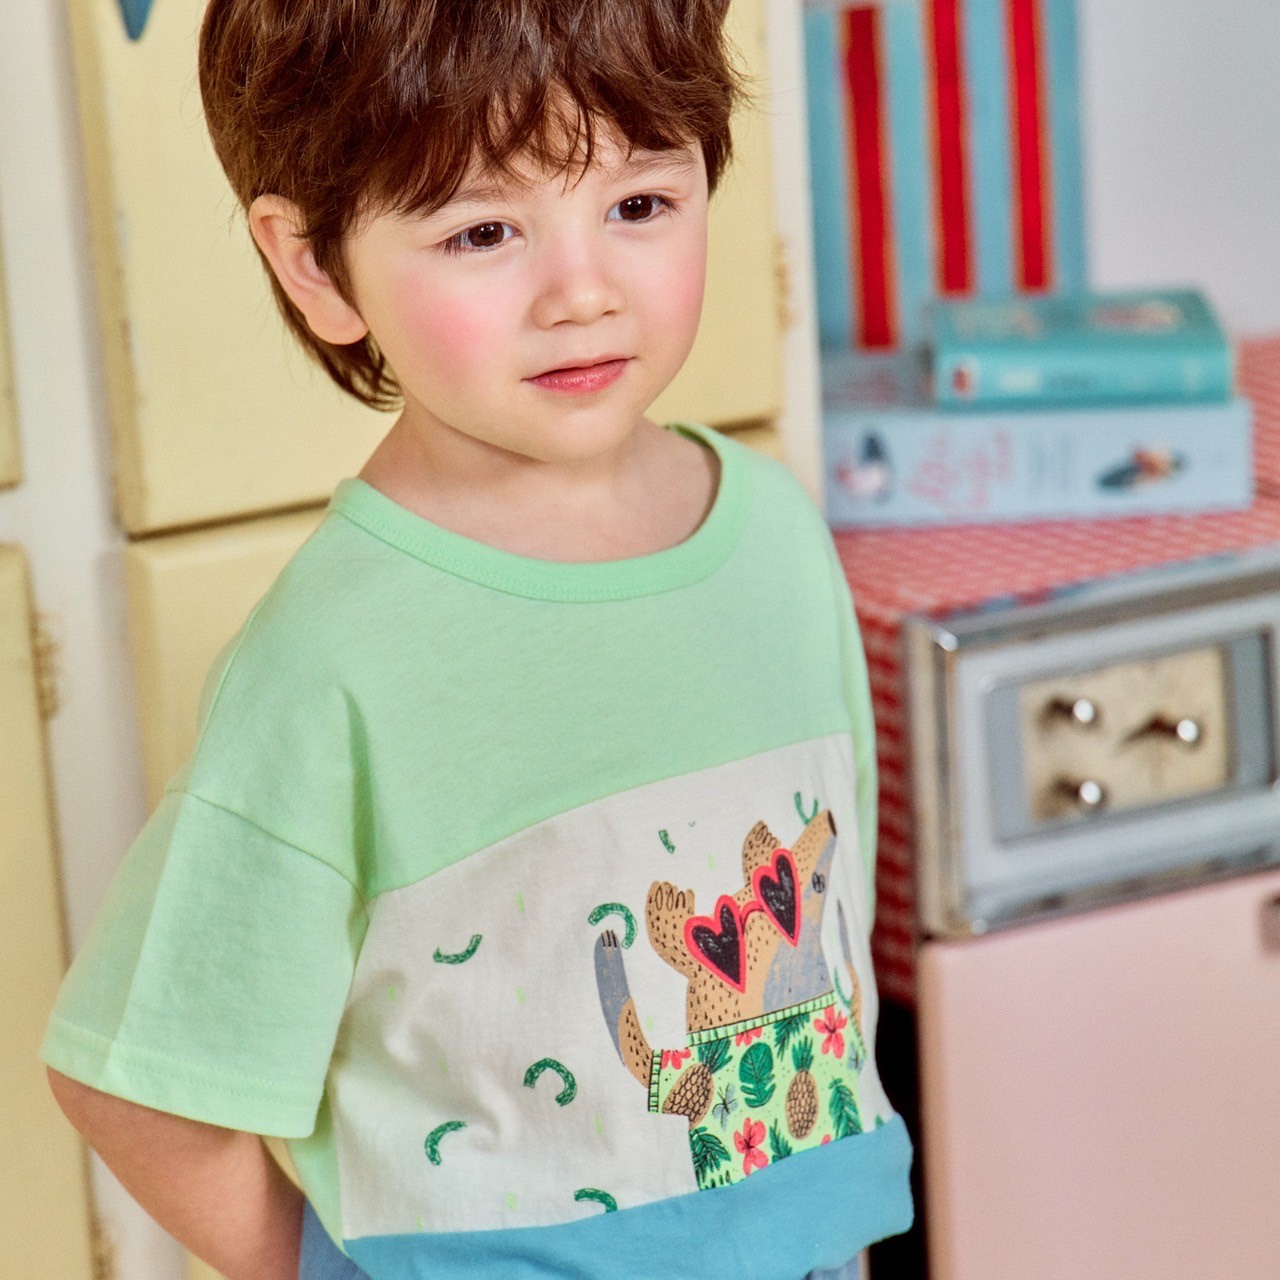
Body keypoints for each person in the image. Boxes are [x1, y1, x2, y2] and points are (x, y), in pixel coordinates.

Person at [41, 1, 913, 1276]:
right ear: (313, 266)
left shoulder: (776, 537)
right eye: (483, 231)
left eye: (638, 203)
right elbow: (138, 1083)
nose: (582, 292)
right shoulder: (332, 660)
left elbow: (831, 947)